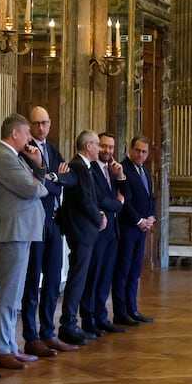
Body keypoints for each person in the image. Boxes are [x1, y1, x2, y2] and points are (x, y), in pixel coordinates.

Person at [0, 114, 47, 372]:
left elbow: (35, 184)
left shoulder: (16, 156)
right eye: (27, 133)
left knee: (16, 292)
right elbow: (33, 189)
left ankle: (9, 344)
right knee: (9, 293)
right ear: (15, 133)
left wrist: (38, 168)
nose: (30, 138)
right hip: (12, 231)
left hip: (22, 230)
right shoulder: (2, 156)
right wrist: (41, 181)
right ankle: (1, 350)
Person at [20, 106, 81, 352]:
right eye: (36, 123)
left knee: (54, 280)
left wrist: (54, 178)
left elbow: (71, 178)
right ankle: (31, 336)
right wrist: (55, 179)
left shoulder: (53, 148)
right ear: (29, 125)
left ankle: (48, 332)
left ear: (50, 123)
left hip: (56, 222)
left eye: (44, 123)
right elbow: (40, 185)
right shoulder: (26, 151)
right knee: (33, 280)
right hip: (36, 222)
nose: (41, 128)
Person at [58, 130, 105, 341]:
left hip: (86, 230)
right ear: (88, 146)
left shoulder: (85, 166)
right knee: (76, 280)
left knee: (80, 279)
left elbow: (91, 199)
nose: (100, 149)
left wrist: (99, 214)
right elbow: (84, 201)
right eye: (97, 144)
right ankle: (68, 325)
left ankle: (72, 323)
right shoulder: (78, 165)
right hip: (81, 231)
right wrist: (99, 218)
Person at [85, 132, 128, 334]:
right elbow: (102, 200)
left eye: (111, 147)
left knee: (105, 277)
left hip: (113, 232)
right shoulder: (90, 169)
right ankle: (89, 319)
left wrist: (120, 177)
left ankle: (101, 317)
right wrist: (118, 204)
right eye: (103, 146)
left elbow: (124, 194)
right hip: (98, 231)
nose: (107, 151)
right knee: (93, 276)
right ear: (94, 146)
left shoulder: (112, 170)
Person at [114, 135, 158, 324]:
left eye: (144, 152)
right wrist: (138, 220)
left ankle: (132, 308)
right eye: (138, 150)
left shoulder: (146, 171)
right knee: (123, 270)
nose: (140, 154)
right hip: (127, 227)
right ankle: (120, 312)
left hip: (142, 228)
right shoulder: (122, 169)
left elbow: (150, 198)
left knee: (135, 271)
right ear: (130, 149)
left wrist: (151, 216)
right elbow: (125, 200)